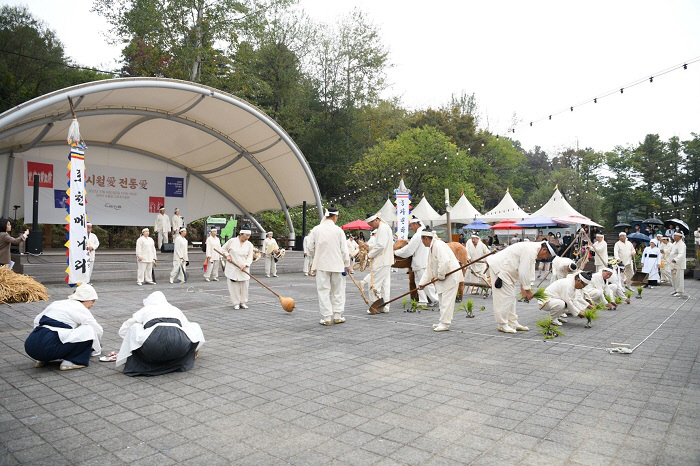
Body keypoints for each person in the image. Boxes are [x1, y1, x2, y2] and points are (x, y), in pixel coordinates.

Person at [115, 291, 204, 376]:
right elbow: (187, 325)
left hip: (151, 347)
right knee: (194, 325)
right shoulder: (174, 309)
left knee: (135, 326)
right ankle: (187, 356)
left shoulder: (146, 309)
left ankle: (142, 363)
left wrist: (130, 342)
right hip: (179, 345)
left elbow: (127, 326)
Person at [24, 284, 102, 370]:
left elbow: (37, 320)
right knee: (88, 329)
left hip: (30, 346)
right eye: (92, 301)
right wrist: (96, 347)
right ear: (85, 299)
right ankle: (72, 362)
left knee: (64, 332)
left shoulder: (57, 303)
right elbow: (97, 330)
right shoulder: (80, 308)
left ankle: (42, 359)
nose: (92, 305)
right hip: (49, 348)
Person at [486, 241, 555, 333]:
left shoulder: (533, 250)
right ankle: (502, 324)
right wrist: (527, 289)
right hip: (500, 268)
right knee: (505, 297)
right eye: (547, 256)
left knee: (511, 297)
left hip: (507, 271)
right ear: (544, 249)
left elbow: (529, 270)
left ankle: (512, 323)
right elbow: (524, 271)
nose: (545, 258)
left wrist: (525, 288)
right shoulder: (531, 250)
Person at [307, 206, 350, 325]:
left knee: (323, 291)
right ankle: (337, 315)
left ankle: (326, 318)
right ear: (335, 216)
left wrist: (316, 255)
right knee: (338, 291)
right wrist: (347, 264)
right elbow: (344, 251)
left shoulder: (316, 229)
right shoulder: (339, 230)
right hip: (337, 265)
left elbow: (309, 247)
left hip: (321, 264)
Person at [416, 228, 462, 332]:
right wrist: (422, 283)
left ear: (426, 238)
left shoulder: (438, 245)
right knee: (442, 301)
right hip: (443, 277)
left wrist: (441, 275)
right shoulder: (432, 247)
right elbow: (430, 268)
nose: (422, 242)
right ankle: (443, 321)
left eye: (422, 240)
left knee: (446, 301)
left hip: (450, 276)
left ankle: (445, 323)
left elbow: (445, 262)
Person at [394, 216, 438, 307]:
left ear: (416, 224)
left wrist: (395, 252)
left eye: (411, 226)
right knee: (420, 283)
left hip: (422, 262)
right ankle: (423, 301)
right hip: (420, 262)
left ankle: (436, 299)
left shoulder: (418, 234)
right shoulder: (420, 233)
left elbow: (409, 249)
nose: (411, 228)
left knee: (425, 282)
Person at [365, 213, 394, 313]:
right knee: (385, 285)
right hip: (385, 260)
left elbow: (381, 246)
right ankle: (385, 307)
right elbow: (380, 244)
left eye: (371, 224)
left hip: (381, 261)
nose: (371, 226)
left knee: (373, 284)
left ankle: (375, 306)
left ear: (376, 220)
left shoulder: (382, 228)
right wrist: (369, 247)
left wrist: (369, 255)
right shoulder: (384, 228)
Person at [222, 229, 254, 309]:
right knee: (234, 287)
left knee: (244, 286)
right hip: (232, 267)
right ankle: (236, 303)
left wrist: (246, 264)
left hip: (244, 268)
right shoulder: (232, 241)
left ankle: (243, 302)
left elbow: (250, 256)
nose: (248, 237)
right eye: (246, 235)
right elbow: (223, 249)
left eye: (249, 236)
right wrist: (227, 255)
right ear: (241, 234)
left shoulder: (249, 244)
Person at [669, 231, 686, 297]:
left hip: (678, 264)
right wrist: (664, 251)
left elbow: (681, 254)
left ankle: (680, 291)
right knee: (674, 277)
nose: (674, 237)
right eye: (674, 235)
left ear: (680, 237)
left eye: (676, 236)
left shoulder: (682, 244)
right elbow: (669, 250)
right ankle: (675, 289)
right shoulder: (674, 243)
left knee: (679, 278)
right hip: (672, 264)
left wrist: (675, 259)